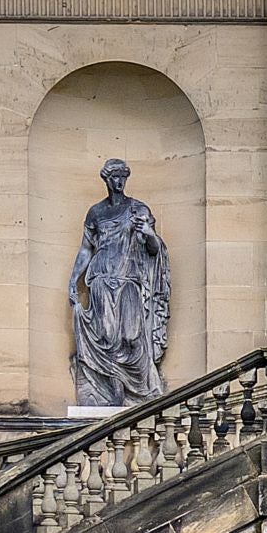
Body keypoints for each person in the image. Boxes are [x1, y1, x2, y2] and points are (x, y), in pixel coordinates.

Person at [68, 158, 170, 406]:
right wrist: (74, 280)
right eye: (114, 177)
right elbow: (86, 250)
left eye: (122, 177)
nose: (118, 181)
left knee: (132, 336)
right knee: (106, 335)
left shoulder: (139, 209)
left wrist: (148, 233)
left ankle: (136, 390)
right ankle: (113, 391)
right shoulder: (96, 212)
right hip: (101, 278)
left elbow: (154, 249)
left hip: (129, 279)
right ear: (106, 179)